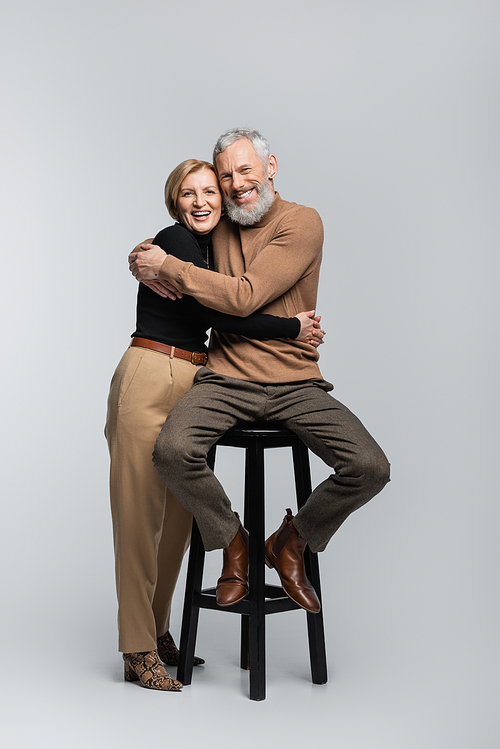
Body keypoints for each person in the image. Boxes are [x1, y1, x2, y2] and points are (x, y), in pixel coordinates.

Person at [129, 128, 390, 621]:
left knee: (370, 467)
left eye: (245, 170)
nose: (235, 183)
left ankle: (292, 540)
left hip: (296, 383)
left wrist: (169, 266)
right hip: (225, 378)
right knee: (171, 450)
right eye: (226, 175)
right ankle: (234, 542)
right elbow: (180, 233)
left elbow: (244, 296)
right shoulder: (219, 221)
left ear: (270, 168)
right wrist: (144, 258)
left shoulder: (302, 221)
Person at [105, 158, 324, 691]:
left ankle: (158, 632)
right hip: (150, 371)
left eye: (209, 191)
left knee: (179, 522)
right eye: (188, 193)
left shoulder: (213, 249)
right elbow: (221, 317)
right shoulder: (173, 242)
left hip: (198, 380)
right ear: (173, 201)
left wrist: (140, 258)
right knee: (139, 520)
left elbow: (237, 295)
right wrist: (290, 327)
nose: (200, 201)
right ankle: (136, 648)